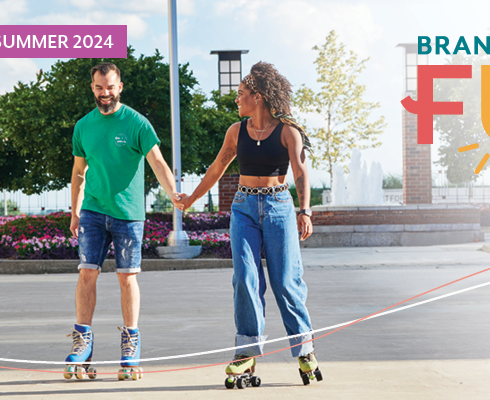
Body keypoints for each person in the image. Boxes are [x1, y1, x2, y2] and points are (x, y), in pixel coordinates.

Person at [175, 61, 322, 386]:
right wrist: (190, 200)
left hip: (279, 206)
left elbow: (300, 172)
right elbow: (216, 168)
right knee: (245, 277)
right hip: (243, 208)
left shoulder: (288, 131)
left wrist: (305, 211)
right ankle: (246, 351)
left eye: (241, 94)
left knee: (285, 281)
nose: (237, 100)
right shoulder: (235, 131)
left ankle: (305, 349)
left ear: (258, 96)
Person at [65, 62, 180, 381]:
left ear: (120, 86)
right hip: (91, 210)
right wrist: (74, 210)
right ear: (92, 88)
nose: (106, 94)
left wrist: (173, 194)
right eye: (100, 88)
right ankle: (83, 343)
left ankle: (131, 345)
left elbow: (157, 162)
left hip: (128, 214)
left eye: (111, 87)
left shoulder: (137, 123)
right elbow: (78, 171)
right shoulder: (83, 126)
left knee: (126, 278)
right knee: (87, 273)